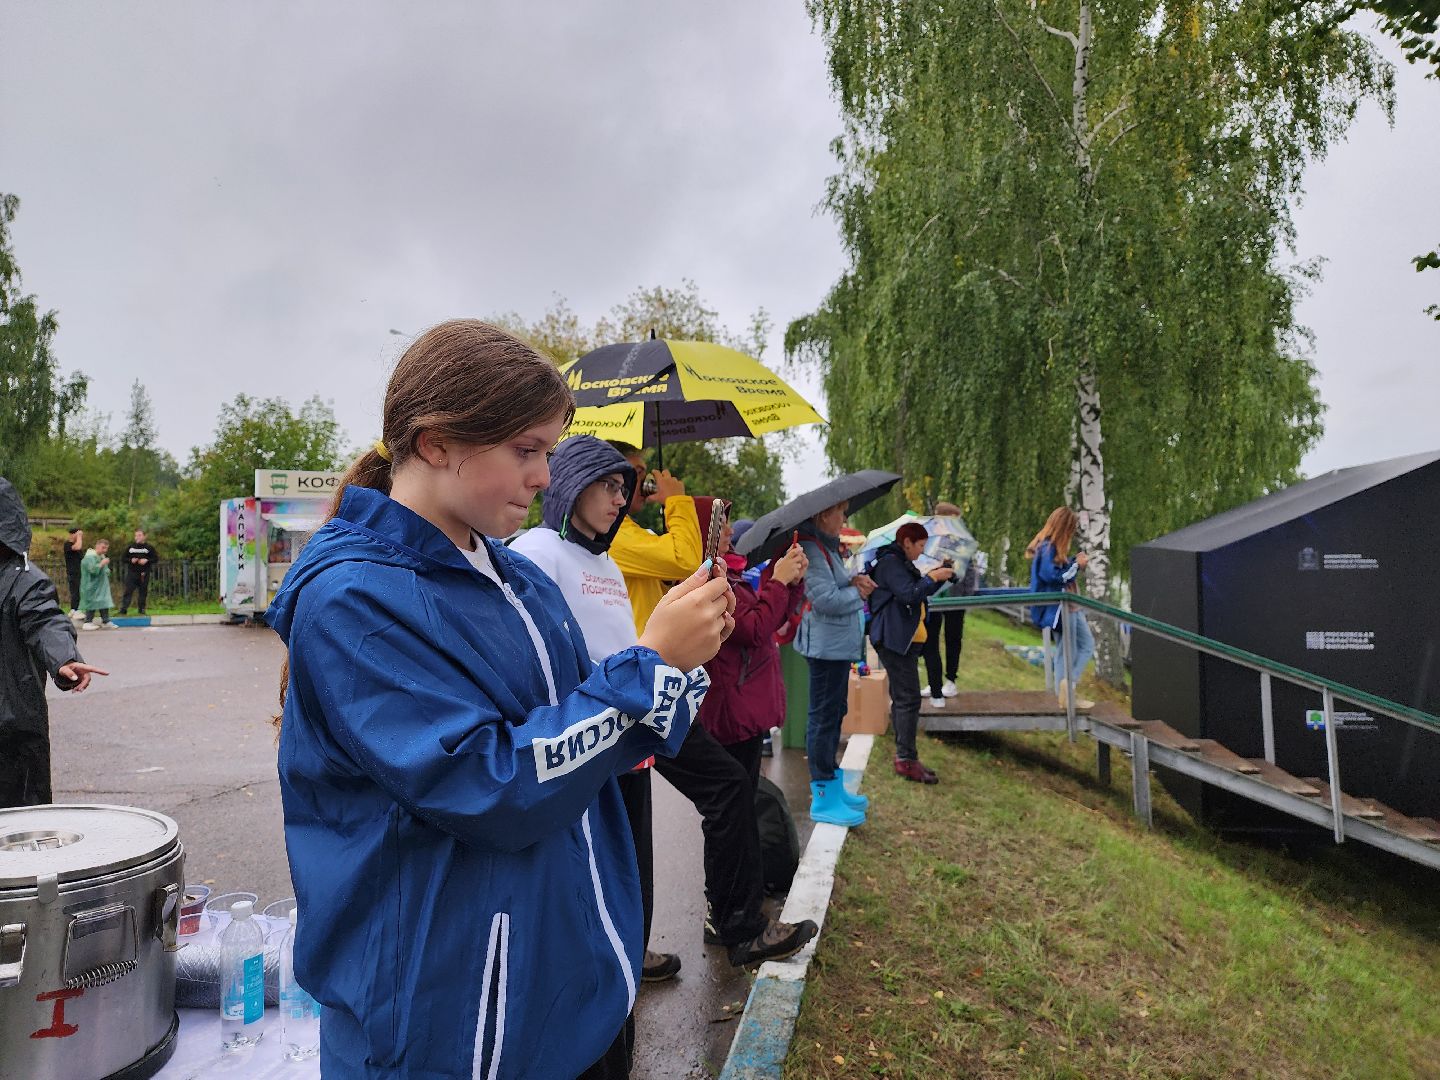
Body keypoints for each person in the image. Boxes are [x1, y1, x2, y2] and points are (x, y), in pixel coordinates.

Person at [266, 320, 733, 1080]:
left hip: (564, 990)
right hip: (451, 1026)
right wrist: (652, 664)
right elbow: (490, 783)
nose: (547, 476)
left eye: (549, 450)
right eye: (526, 450)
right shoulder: (353, 601)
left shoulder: (515, 578)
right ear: (436, 442)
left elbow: (597, 725)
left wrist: (687, 659)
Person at [608, 451, 817, 968]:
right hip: (631, 697)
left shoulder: (625, 541)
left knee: (705, 803)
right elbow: (702, 578)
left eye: (629, 482)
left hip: (653, 694)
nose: (636, 489)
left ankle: (723, 925)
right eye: (623, 482)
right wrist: (679, 500)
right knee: (639, 825)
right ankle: (722, 927)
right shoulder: (618, 540)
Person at [0, 478, 108, 808]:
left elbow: (46, 621)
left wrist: (64, 658)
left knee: (19, 837)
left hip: (11, 733)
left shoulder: (24, 580)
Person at [698, 517, 808, 794]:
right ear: (701, 531)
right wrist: (779, 582)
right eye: (720, 524)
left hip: (746, 700)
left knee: (743, 795)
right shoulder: (709, 583)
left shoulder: (730, 576)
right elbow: (755, 629)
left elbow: (769, 619)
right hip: (734, 705)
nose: (730, 531)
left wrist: (792, 584)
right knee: (734, 799)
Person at [796, 501, 873, 826]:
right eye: (840, 512)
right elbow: (825, 600)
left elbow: (832, 587)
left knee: (833, 714)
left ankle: (833, 784)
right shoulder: (812, 550)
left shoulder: (825, 548)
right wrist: (860, 595)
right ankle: (824, 796)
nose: (844, 518)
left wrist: (853, 582)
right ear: (822, 514)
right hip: (827, 648)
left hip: (837, 647)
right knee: (824, 718)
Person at [866, 522, 955, 783]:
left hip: (901, 640)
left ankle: (908, 757)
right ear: (907, 542)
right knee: (908, 699)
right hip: (893, 640)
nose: (921, 551)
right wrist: (931, 578)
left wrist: (939, 575)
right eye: (920, 545)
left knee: (906, 698)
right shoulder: (891, 563)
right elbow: (909, 594)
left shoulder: (900, 562)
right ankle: (905, 760)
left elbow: (917, 591)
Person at [1026, 506, 1096, 710]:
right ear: (1065, 528)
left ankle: (1068, 687)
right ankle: (1065, 694)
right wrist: (1077, 566)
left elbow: (1060, 571)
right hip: (1061, 607)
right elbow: (1054, 577)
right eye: (1071, 529)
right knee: (1067, 651)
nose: (1072, 534)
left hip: (1071, 605)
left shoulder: (1051, 547)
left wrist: (1073, 562)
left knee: (1084, 645)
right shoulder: (1048, 548)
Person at [921, 501, 978, 709]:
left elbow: (970, 572)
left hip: (954, 597)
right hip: (934, 596)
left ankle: (951, 680)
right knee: (931, 641)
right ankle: (932, 681)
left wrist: (965, 596)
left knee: (953, 638)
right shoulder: (931, 539)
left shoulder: (962, 542)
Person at [118, 528, 159, 615]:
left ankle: (142, 609)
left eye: (139, 535)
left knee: (143, 592)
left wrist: (147, 560)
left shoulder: (149, 548)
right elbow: (123, 558)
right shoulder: (130, 547)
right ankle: (123, 609)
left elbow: (155, 559)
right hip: (132, 572)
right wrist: (131, 560)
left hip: (144, 573)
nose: (137, 537)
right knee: (128, 591)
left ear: (144, 536)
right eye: (136, 535)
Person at [79, 538, 117, 629]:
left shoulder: (102, 557)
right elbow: (92, 570)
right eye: (103, 547)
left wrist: (106, 569)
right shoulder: (89, 557)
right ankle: (88, 621)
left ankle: (105, 620)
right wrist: (101, 564)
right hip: (91, 585)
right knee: (91, 603)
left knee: (103, 602)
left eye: (106, 548)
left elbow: (105, 571)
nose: (105, 550)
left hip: (101, 586)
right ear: (97, 546)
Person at [63, 526, 84, 617]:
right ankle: (75, 609)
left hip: (79, 571)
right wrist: (79, 536)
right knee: (75, 591)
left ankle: (74, 609)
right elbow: (78, 547)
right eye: (78, 534)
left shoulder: (76, 545)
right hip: (73, 571)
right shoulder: (67, 544)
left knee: (78, 590)